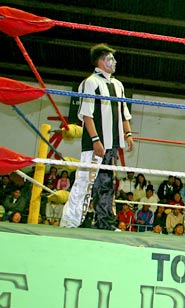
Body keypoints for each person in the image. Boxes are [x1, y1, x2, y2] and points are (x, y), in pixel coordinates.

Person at [61, 43, 133, 230]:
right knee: (85, 181)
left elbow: (123, 113)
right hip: (96, 142)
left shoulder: (118, 85)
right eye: (110, 58)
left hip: (113, 144)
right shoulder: (90, 82)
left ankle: (105, 222)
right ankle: (71, 221)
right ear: (101, 61)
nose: (115, 62)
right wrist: (95, 140)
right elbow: (86, 114)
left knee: (107, 184)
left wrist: (128, 133)